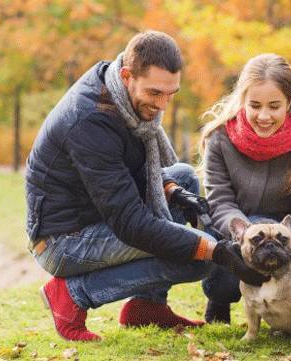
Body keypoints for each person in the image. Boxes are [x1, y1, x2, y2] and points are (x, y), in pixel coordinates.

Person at [25, 31, 269, 342]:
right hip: (63, 240)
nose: (163, 105)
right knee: (198, 261)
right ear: (127, 76)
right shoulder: (90, 121)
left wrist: (172, 191)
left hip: (97, 215)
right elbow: (131, 224)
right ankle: (72, 294)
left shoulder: (120, 92)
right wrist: (215, 250)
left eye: (171, 94)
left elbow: (137, 171)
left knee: (181, 176)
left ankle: (147, 306)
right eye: (155, 94)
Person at [198, 53, 291, 323]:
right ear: (242, 101)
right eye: (255, 105)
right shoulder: (219, 140)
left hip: (290, 244)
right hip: (236, 237)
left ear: (289, 103)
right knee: (223, 280)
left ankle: (283, 310)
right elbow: (220, 203)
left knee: (287, 269)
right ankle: (219, 298)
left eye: (274, 106)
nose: (264, 115)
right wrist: (248, 235)